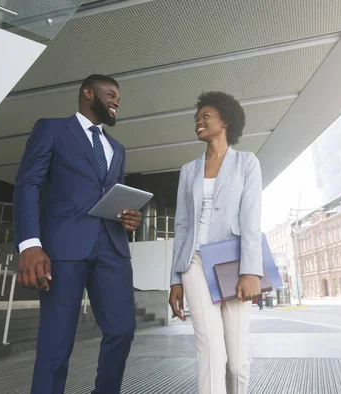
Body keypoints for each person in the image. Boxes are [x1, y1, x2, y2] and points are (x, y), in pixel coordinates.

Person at [13, 74, 142, 394]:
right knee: (56, 344)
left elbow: (112, 192)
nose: (116, 101)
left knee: (123, 330)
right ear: (88, 93)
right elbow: (28, 184)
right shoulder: (52, 129)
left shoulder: (118, 148)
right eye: (110, 94)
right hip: (63, 248)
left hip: (112, 248)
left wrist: (129, 216)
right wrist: (30, 244)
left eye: (118, 97)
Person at [168, 92, 263, 394]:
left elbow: (251, 219)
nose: (198, 120)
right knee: (211, 350)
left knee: (236, 362)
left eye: (206, 115)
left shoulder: (247, 163)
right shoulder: (188, 171)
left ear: (225, 120)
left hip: (231, 263)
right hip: (194, 261)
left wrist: (251, 270)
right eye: (196, 117)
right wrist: (174, 280)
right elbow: (181, 226)